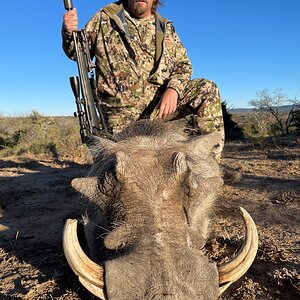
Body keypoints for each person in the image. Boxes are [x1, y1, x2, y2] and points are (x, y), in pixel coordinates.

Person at [62, 0, 224, 158]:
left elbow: (183, 65)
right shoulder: (104, 18)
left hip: (159, 109)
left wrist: (173, 88)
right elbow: (77, 53)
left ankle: (208, 166)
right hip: (120, 115)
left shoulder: (165, 27)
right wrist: (69, 32)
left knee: (207, 89)